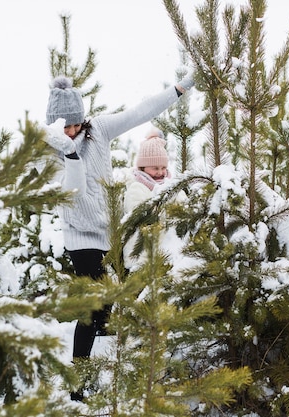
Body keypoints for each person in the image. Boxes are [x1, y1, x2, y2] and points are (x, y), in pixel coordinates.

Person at [41, 73, 194, 401]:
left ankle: (116, 367)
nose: (70, 131)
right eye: (63, 127)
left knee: (111, 307)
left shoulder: (99, 130)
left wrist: (178, 89)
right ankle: (77, 384)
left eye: (74, 124)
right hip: (81, 237)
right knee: (93, 307)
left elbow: (140, 111)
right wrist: (69, 153)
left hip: (110, 232)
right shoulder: (50, 150)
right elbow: (73, 191)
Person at [122, 127, 173, 270]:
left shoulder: (170, 186)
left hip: (164, 256)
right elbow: (143, 217)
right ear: (143, 168)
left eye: (163, 167)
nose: (160, 172)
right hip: (140, 258)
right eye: (155, 168)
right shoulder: (136, 188)